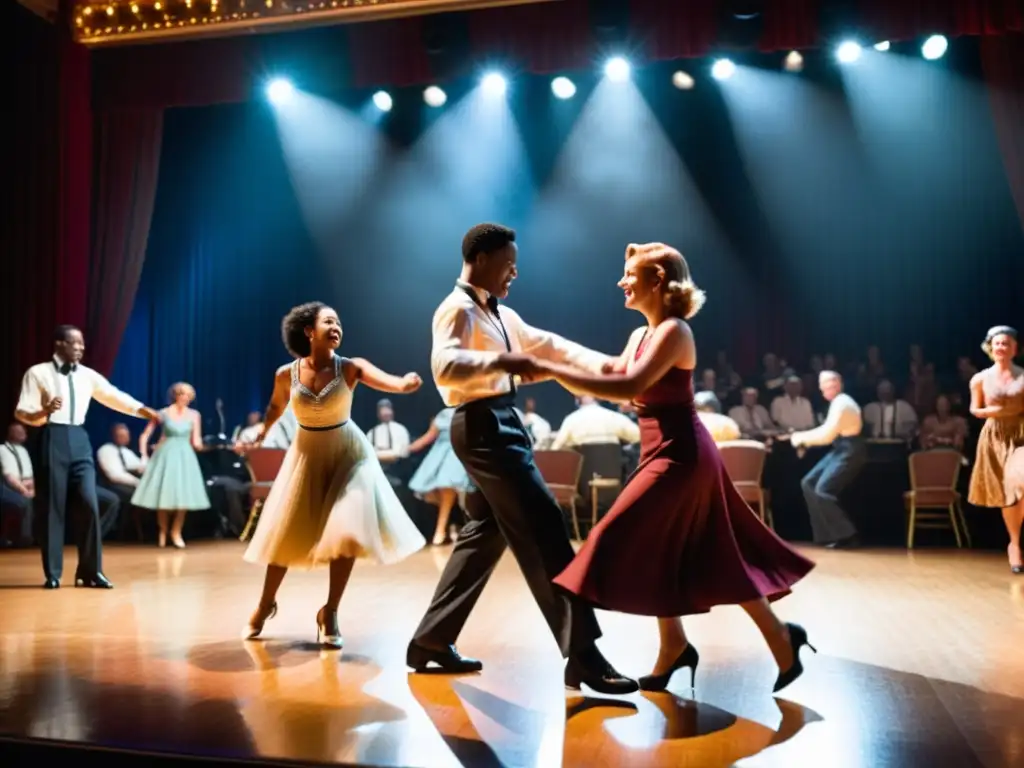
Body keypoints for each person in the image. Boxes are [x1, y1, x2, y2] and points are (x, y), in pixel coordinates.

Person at [519, 242, 814, 694]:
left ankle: (640, 649)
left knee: (611, 537)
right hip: (659, 450)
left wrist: (551, 369)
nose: (621, 281)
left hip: (683, 455)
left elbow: (628, 385)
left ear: (657, 279)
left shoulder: (676, 332)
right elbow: (612, 366)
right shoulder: (641, 335)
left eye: (630, 274)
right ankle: (713, 643)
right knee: (706, 553)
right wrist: (552, 359)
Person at [407, 222, 637, 695]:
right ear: (483, 258)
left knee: (483, 538)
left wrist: (609, 367)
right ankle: (584, 657)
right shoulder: (454, 309)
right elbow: (444, 366)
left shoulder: (503, 316)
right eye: (509, 264)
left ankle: (431, 641)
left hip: (501, 421)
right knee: (546, 527)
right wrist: (501, 363)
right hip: (482, 424)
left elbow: (551, 346)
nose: (514, 273)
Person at [242, 302, 426, 646]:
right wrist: (259, 434)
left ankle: (331, 612)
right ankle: (266, 603)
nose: (337, 326)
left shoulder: (352, 368)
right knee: (286, 535)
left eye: (339, 321)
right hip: (307, 454)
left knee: (348, 529)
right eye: (329, 321)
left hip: (349, 454)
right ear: (309, 331)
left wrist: (405, 384)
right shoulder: (287, 374)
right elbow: (274, 408)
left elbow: (390, 382)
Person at [14, 324, 159, 589]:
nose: (80, 348)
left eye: (82, 344)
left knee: (89, 504)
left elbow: (112, 395)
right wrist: (43, 411)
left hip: (79, 439)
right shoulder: (38, 373)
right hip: (51, 435)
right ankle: (53, 573)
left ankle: (91, 571)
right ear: (59, 344)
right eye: (74, 343)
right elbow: (23, 413)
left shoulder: (87, 375)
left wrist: (140, 409)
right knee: (52, 508)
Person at [967, 325, 1024, 574]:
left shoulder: (1023, 375)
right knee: (1009, 494)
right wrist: (997, 412)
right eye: (998, 343)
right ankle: (1014, 544)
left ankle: (1015, 541)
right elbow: (975, 410)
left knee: (1021, 483)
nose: (1002, 347)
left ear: (1015, 348)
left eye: (1007, 343)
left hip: (1021, 433)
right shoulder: (979, 379)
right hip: (995, 437)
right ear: (991, 347)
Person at [788, 371, 865, 549]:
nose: (823, 389)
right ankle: (827, 535)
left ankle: (848, 535)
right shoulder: (837, 402)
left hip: (851, 449)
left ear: (837, 384)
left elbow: (826, 435)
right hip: (841, 447)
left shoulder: (842, 403)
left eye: (827, 385)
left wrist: (798, 438)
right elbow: (826, 431)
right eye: (822, 385)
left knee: (823, 490)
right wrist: (800, 437)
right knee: (808, 483)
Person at [133, 382, 211, 548]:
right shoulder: (163, 413)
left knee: (183, 495)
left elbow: (196, 440)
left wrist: (206, 446)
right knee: (164, 494)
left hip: (185, 456)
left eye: (188, 396)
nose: (185, 398)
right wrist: (144, 455)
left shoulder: (194, 415)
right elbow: (144, 436)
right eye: (182, 394)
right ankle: (162, 531)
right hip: (165, 454)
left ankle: (176, 531)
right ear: (175, 395)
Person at [407, 407, 474, 546]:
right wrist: (408, 448)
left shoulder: (470, 413)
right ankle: (450, 524)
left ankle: (441, 530)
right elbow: (429, 436)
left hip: (458, 455)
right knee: (434, 492)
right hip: (439, 457)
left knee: (448, 486)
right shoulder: (444, 414)